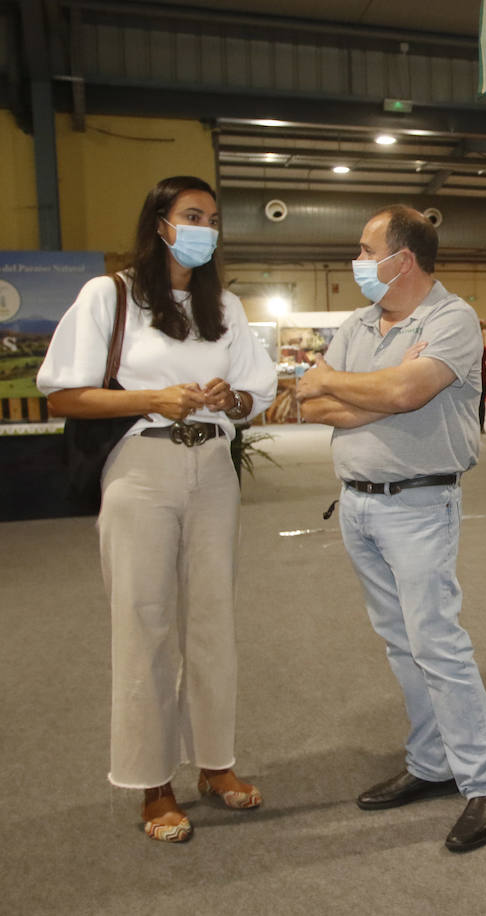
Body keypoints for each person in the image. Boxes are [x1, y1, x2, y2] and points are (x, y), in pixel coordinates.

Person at [36, 175, 277, 843]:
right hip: (141, 469)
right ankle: (153, 784)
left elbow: (257, 392)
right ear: (161, 223)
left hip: (214, 470)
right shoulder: (108, 296)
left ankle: (216, 765)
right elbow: (62, 395)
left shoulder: (222, 305)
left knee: (213, 620)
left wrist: (231, 399)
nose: (205, 227)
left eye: (213, 217)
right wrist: (151, 399)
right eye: (192, 214)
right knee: (144, 621)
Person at [296, 205, 486, 853]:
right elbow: (308, 402)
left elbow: (401, 394)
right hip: (359, 504)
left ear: (404, 259)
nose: (356, 261)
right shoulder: (359, 323)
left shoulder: (449, 319)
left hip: (420, 505)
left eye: (366, 250)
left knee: (437, 643)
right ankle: (432, 762)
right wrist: (375, 389)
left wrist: (351, 387)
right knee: (401, 643)